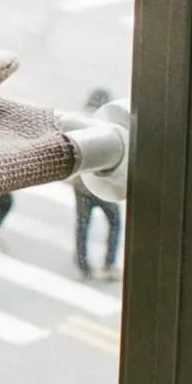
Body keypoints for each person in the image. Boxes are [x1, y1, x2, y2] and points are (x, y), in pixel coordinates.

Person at [70, 88, 123, 282]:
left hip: (81, 185)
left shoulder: (78, 124)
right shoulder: (108, 128)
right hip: (103, 187)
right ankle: (109, 265)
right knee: (114, 222)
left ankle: (82, 265)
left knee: (82, 224)